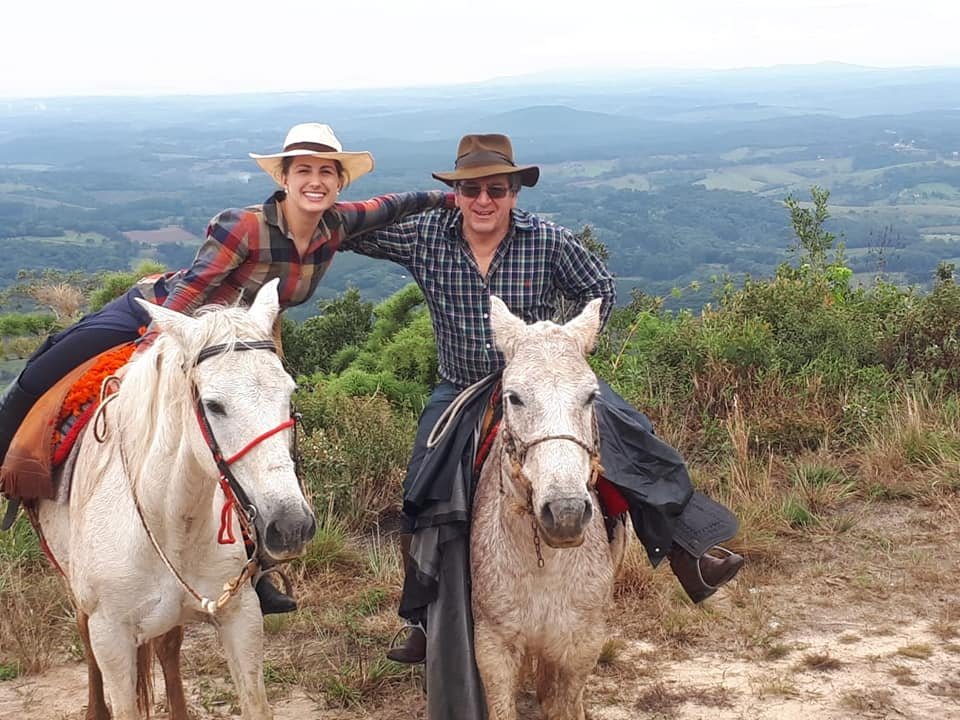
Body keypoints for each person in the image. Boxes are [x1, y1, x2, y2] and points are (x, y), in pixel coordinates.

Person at [0, 122, 452, 615]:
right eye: (303, 170)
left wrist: (454, 197)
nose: (315, 180)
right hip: (163, 316)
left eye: (327, 171)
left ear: (340, 182)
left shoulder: (336, 224)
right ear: (284, 177)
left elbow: (395, 204)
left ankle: (257, 568)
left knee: (262, 446)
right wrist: (147, 353)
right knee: (43, 369)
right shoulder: (243, 226)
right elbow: (191, 291)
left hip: (242, 345)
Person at [342, 133, 745, 665]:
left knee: (635, 442)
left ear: (514, 193)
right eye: (470, 190)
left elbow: (599, 288)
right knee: (421, 488)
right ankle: (422, 617)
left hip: (546, 380)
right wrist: (413, 200)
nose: (484, 200)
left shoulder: (547, 240)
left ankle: (688, 553)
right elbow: (349, 232)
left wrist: (563, 345)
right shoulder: (427, 235)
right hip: (462, 384)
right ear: (455, 194)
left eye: (496, 189)